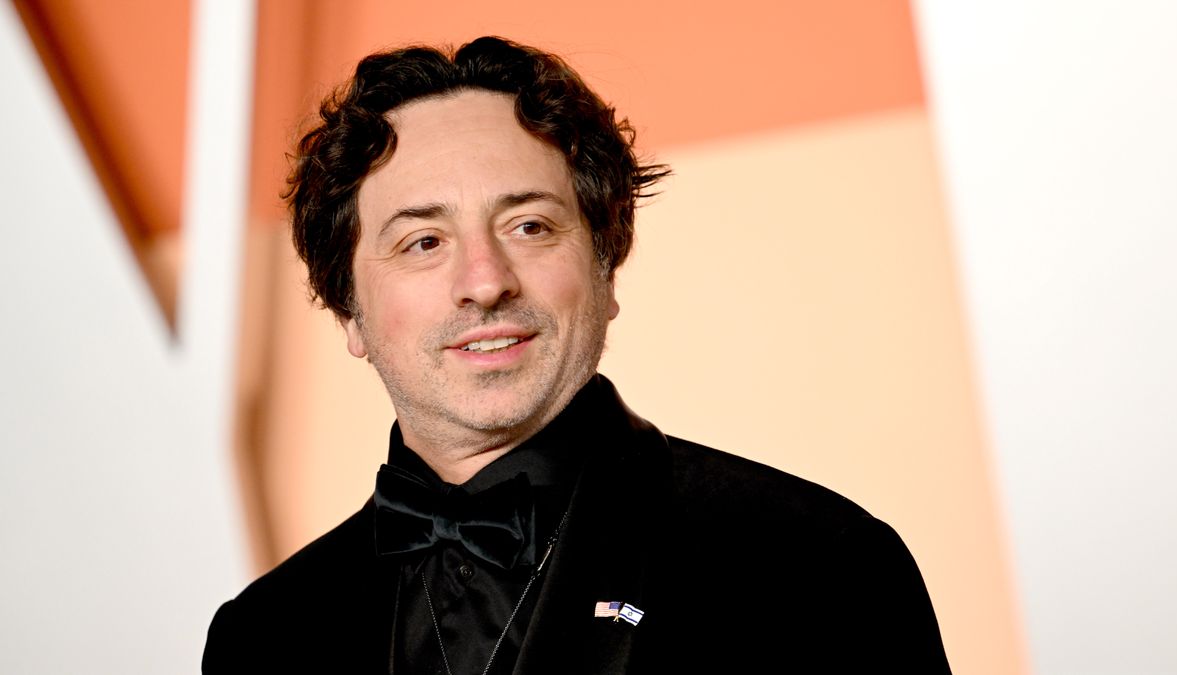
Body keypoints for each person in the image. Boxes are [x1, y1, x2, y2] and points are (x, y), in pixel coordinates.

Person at [202, 36, 951, 674]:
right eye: (423, 242)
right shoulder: (261, 637)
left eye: (529, 225)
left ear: (605, 268)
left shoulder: (818, 566)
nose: (486, 282)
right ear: (349, 311)